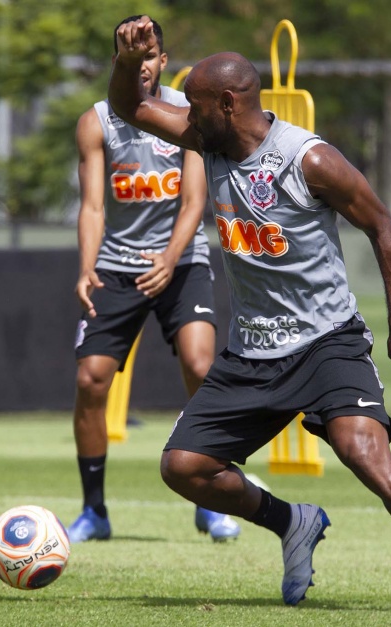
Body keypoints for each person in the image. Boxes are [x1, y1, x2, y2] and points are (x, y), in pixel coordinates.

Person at [107, 16, 391, 615]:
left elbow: (381, 225)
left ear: (228, 104)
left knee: (364, 452)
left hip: (325, 341)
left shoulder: (307, 159)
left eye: (198, 104)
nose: (187, 113)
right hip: (252, 349)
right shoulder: (205, 139)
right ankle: (292, 522)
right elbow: (130, 109)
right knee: (184, 466)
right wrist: (129, 61)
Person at [69, 15, 240, 544]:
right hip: (118, 267)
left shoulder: (184, 117)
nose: (141, 67)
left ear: (162, 62)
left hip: (181, 262)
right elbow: (94, 206)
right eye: (131, 58)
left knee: (199, 364)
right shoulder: (96, 122)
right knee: (90, 379)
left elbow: (195, 201)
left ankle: (209, 499)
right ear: (118, 61)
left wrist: (169, 257)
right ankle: (94, 511)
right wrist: (86, 266)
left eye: (150, 58)